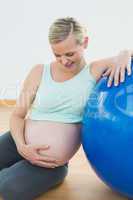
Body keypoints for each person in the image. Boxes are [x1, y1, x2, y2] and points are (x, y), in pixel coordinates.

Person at [0, 17, 132, 200]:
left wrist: (125, 53)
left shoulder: (94, 70)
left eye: (69, 54)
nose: (64, 61)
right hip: (19, 141)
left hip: (51, 162)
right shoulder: (39, 71)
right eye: (57, 55)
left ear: (84, 42)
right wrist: (22, 147)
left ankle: (41, 172)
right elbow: (17, 115)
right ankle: (20, 163)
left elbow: (124, 56)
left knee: (10, 190)